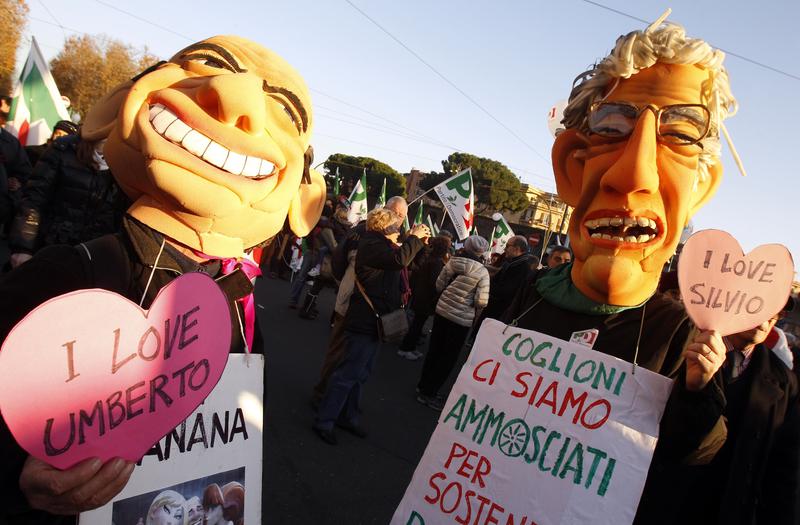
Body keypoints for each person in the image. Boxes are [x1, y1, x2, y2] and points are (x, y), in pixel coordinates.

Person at [0, 35, 325, 523]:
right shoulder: (68, 275)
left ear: (307, 200)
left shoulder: (245, 311)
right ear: (116, 107)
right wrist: (16, 483)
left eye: (284, 110)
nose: (237, 99)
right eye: (207, 66)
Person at [500, 19, 737, 522]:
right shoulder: (527, 292)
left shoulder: (678, 332)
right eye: (611, 130)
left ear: (700, 188)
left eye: (678, 135)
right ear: (570, 167)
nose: (634, 175)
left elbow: (695, 455)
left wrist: (699, 389)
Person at [653, 299, 798, 524]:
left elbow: (783, 473)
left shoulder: (785, 383)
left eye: (778, 309)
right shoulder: (679, 345)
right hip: (665, 506)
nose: (771, 314)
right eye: (764, 299)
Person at [313, 207, 429, 444]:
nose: (399, 230)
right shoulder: (372, 245)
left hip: (376, 321)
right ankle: (325, 420)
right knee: (348, 373)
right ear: (384, 227)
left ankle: (348, 416)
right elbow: (398, 260)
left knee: (361, 373)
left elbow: (402, 258)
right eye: (395, 226)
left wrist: (415, 241)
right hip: (365, 318)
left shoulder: (382, 245)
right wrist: (414, 238)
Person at [311, 196, 408, 406]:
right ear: (385, 210)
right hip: (350, 303)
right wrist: (344, 287)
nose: (399, 219)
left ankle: (340, 405)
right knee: (338, 350)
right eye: (396, 213)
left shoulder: (393, 237)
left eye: (403, 216)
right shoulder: (364, 233)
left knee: (358, 361)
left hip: (372, 310)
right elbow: (339, 258)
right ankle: (321, 395)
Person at [8, 134, 129, 268]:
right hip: (49, 249)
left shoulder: (126, 160)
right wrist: (23, 247)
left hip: (90, 258)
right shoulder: (65, 148)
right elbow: (35, 197)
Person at [417, 235, 490, 410]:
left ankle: (422, 386)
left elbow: (439, 285)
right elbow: (482, 301)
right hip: (461, 320)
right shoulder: (482, 272)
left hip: (442, 311)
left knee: (434, 350)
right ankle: (430, 393)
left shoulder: (452, 261)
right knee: (448, 357)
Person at [397, 235, 452, 360]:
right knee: (417, 324)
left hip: (421, 295)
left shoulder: (432, 258)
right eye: (448, 247)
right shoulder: (437, 262)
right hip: (426, 298)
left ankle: (410, 347)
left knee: (418, 323)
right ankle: (406, 348)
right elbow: (435, 282)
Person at [480, 235, 534, 324]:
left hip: (499, 315)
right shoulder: (511, 262)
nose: (505, 249)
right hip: (492, 309)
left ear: (517, 248)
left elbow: (506, 292)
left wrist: (486, 282)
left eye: (508, 246)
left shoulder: (522, 267)